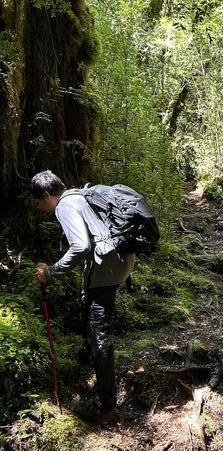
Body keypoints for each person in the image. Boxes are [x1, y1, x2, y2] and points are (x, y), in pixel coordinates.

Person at [31, 170, 134, 424]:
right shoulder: (79, 195)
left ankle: (105, 406)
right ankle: (87, 357)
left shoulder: (65, 206)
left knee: (101, 335)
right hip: (119, 262)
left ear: (46, 195)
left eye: (38, 201)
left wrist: (50, 272)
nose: (38, 206)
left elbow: (81, 246)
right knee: (90, 311)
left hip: (106, 270)